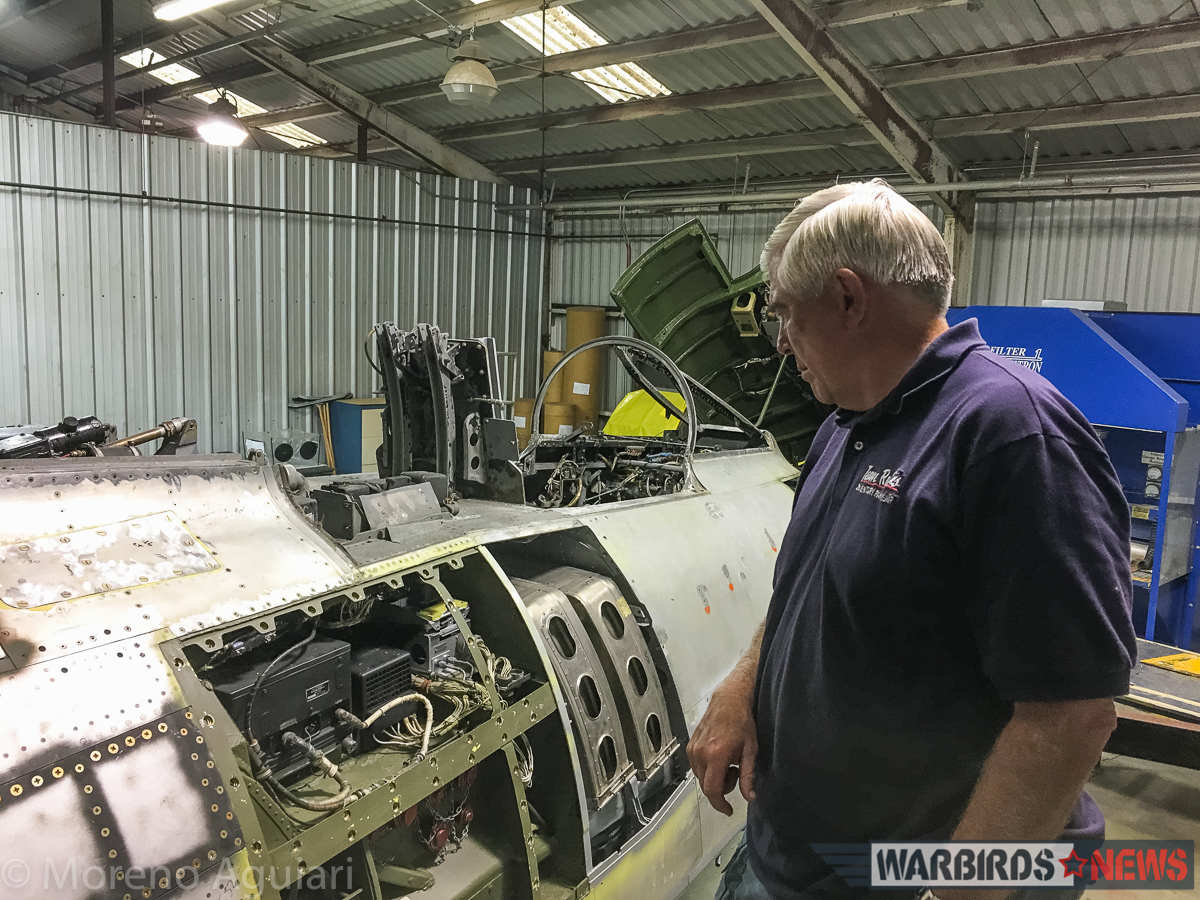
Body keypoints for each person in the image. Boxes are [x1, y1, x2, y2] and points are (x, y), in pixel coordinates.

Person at [687, 180, 1137, 900]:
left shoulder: (1009, 434)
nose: (780, 343)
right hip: (792, 853)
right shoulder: (846, 425)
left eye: (787, 316)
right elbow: (816, 588)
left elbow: (1071, 714)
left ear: (847, 298)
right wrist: (742, 689)